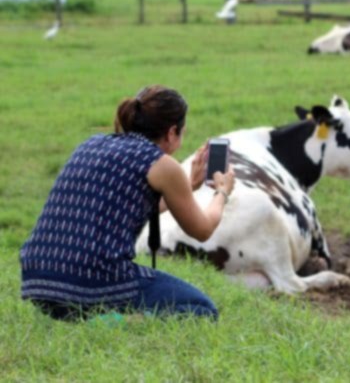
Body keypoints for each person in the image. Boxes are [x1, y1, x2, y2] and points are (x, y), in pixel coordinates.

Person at [19, 85, 235, 321]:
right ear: (172, 132)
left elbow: (132, 206)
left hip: (38, 279)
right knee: (201, 310)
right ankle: (105, 324)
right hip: (91, 278)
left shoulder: (92, 144)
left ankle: (82, 318)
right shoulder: (161, 164)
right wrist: (222, 192)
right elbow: (202, 230)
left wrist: (189, 187)